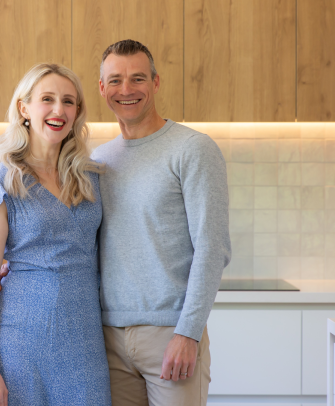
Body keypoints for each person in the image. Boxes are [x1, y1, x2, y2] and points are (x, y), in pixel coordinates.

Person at [92, 39, 231, 405]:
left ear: (155, 83)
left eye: (138, 78)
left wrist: (189, 333)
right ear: (102, 89)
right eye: (116, 80)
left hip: (170, 334)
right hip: (107, 337)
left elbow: (212, 248)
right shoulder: (97, 161)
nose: (127, 90)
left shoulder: (192, 149)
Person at [0, 63, 112, 406]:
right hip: (21, 346)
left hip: (85, 344)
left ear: (77, 113)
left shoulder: (93, 180)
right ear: (24, 108)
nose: (59, 110)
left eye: (69, 102)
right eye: (47, 99)